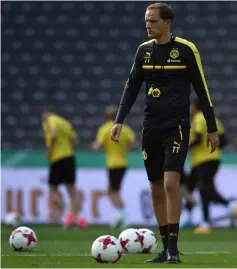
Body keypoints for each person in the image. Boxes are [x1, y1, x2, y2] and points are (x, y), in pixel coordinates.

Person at [110, 3, 220, 264]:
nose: (148, 25)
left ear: (168, 22)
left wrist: (212, 129)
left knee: (171, 183)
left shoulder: (185, 50)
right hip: (150, 128)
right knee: (156, 188)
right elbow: (131, 88)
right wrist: (119, 120)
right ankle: (164, 248)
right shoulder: (143, 52)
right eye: (146, 21)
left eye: (153, 21)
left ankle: (173, 248)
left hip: (177, 127)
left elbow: (202, 90)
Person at [181, 99, 237, 233]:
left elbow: (198, 138)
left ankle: (230, 206)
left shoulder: (199, 118)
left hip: (203, 160)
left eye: (191, 107)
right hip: (211, 159)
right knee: (191, 186)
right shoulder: (214, 120)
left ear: (195, 107)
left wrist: (184, 148)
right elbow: (222, 140)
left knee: (203, 189)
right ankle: (196, 220)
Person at [92, 105, 135, 229]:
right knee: (114, 191)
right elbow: (131, 144)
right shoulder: (126, 129)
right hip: (123, 162)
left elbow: (97, 146)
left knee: (112, 191)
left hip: (112, 163)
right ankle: (121, 216)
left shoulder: (105, 129)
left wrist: (99, 147)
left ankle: (122, 216)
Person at [41, 105, 83, 228]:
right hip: (69, 157)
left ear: (46, 113)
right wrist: (68, 149)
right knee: (72, 190)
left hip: (57, 158)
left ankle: (64, 214)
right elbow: (75, 140)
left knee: (52, 189)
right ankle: (74, 217)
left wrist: (50, 151)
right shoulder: (64, 122)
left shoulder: (50, 121)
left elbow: (53, 135)